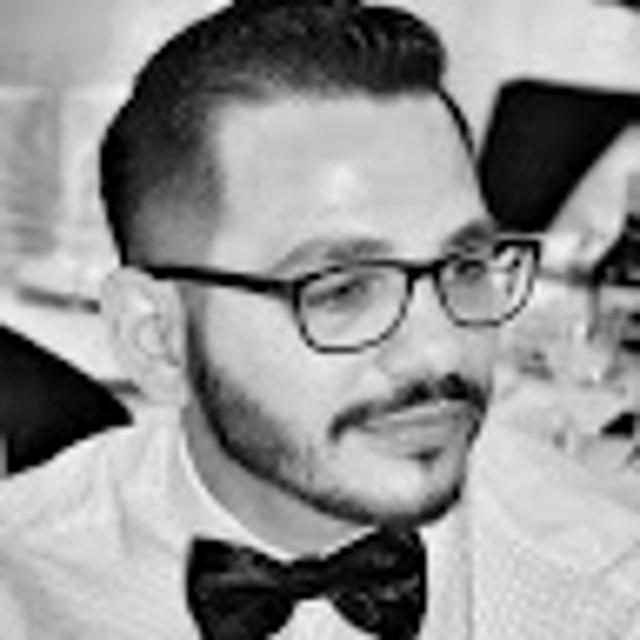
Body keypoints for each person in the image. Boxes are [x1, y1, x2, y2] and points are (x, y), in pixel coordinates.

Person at [0, 1, 637, 638]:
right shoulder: (25, 588)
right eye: (343, 290)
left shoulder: (609, 588)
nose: (439, 353)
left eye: (465, 267)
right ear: (158, 340)